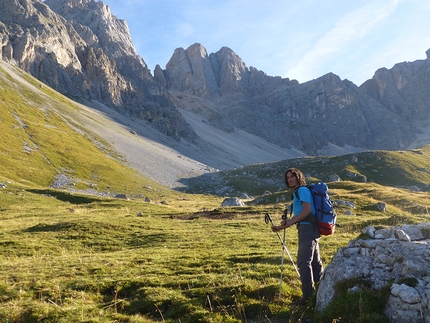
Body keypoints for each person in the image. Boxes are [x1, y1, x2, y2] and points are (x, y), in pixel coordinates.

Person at [272, 168, 323, 306]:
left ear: (298, 177)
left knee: (303, 262)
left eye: (292, 176)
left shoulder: (302, 190)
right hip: (309, 229)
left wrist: (290, 221)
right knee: (314, 262)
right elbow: (300, 214)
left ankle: (308, 297)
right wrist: (281, 226)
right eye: (288, 177)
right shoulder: (298, 192)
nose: (290, 179)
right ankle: (320, 293)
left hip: (307, 229)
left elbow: (307, 210)